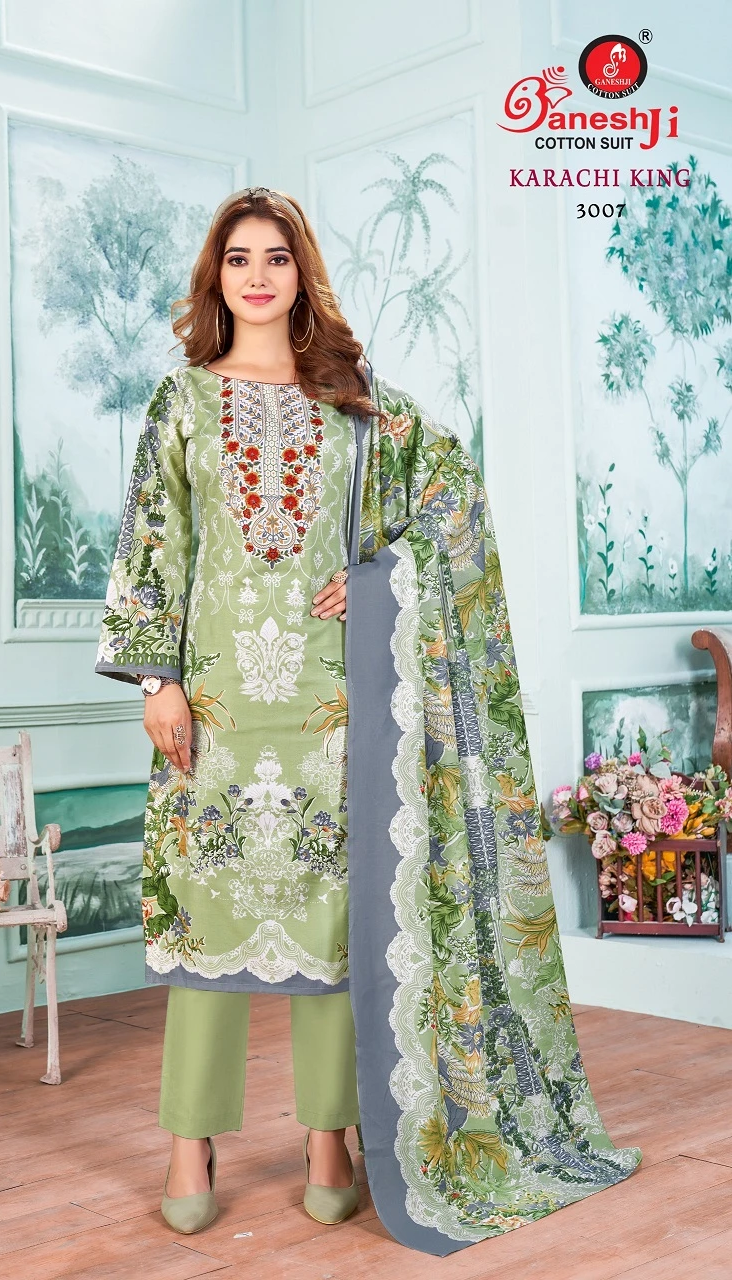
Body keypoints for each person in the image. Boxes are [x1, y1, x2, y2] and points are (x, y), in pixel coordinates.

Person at [95, 186, 641, 1256]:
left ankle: (328, 1140)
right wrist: (157, 679)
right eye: (238, 258)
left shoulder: (357, 404)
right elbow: (153, 540)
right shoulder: (180, 401)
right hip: (213, 700)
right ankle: (189, 1146)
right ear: (216, 276)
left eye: (277, 257)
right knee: (209, 914)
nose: (257, 276)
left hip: (335, 699)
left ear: (302, 274)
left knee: (334, 924)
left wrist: (384, 575)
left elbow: (450, 505)